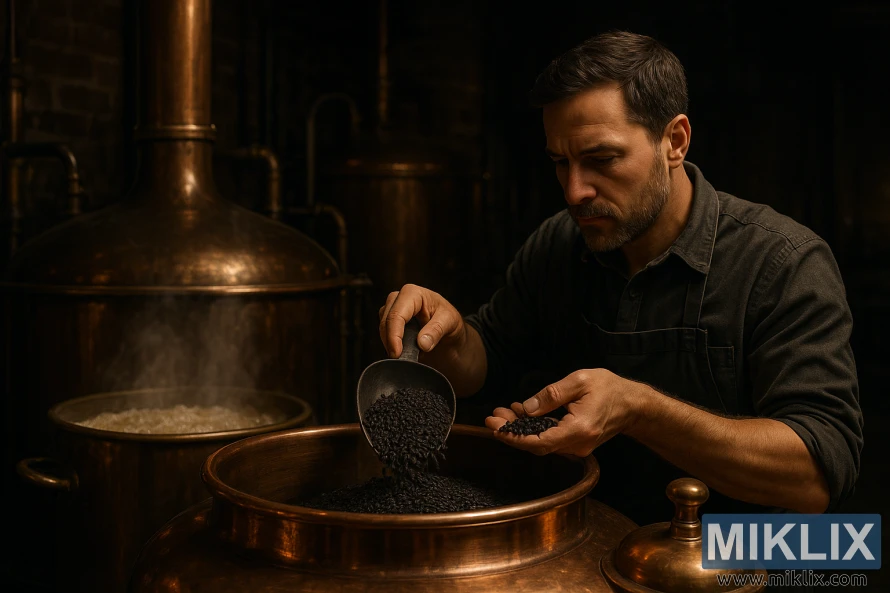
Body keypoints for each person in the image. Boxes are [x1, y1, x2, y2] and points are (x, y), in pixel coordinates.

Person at [377, 30, 863, 527]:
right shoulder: (558, 245)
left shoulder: (782, 262)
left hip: (740, 558)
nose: (574, 191)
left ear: (674, 141)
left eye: (601, 160)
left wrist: (638, 409)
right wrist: (449, 340)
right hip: (586, 540)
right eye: (560, 163)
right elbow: (489, 358)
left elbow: (818, 477)